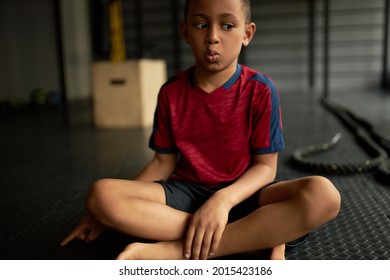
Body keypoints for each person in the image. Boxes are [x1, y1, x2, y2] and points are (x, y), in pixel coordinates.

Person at [61, 0, 341, 260]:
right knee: (101, 195)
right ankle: (252, 234)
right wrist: (100, 214)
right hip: (184, 194)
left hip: (242, 195)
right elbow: (162, 163)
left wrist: (222, 201)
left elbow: (266, 168)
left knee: (323, 195)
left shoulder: (261, 89)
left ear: (247, 33)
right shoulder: (171, 92)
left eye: (228, 25)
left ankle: (176, 250)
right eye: (201, 24)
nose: (213, 37)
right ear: (185, 31)